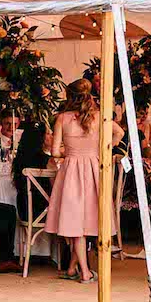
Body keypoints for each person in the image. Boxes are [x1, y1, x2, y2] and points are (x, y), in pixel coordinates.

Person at [47, 80, 104, 283]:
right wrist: (100, 151)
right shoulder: (99, 117)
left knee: (75, 221)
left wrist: (70, 151)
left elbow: (54, 151)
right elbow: (119, 133)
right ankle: (74, 268)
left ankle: (84, 272)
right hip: (94, 169)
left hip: (72, 170)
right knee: (85, 220)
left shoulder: (62, 118)